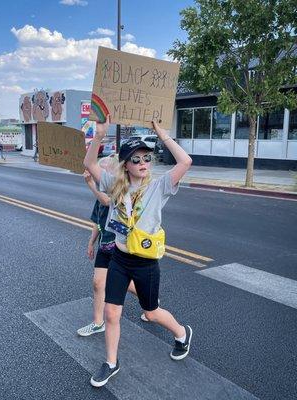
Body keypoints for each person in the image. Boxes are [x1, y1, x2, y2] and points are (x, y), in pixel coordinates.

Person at [84, 116, 193, 388]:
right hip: (119, 259)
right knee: (112, 313)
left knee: (152, 312)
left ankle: (181, 333)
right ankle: (111, 362)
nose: (143, 163)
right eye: (136, 159)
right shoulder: (115, 185)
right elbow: (88, 164)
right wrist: (99, 134)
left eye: (147, 157)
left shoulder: (160, 186)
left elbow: (186, 162)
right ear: (125, 165)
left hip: (145, 263)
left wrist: (163, 134)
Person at [77, 157, 142, 337]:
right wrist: (91, 242)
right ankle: (98, 323)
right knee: (98, 283)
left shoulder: (119, 190)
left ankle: (150, 300)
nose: (99, 176)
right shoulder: (99, 193)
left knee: (124, 282)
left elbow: (107, 201)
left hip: (118, 245)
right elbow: (97, 221)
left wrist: (91, 185)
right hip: (104, 246)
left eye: (103, 172)